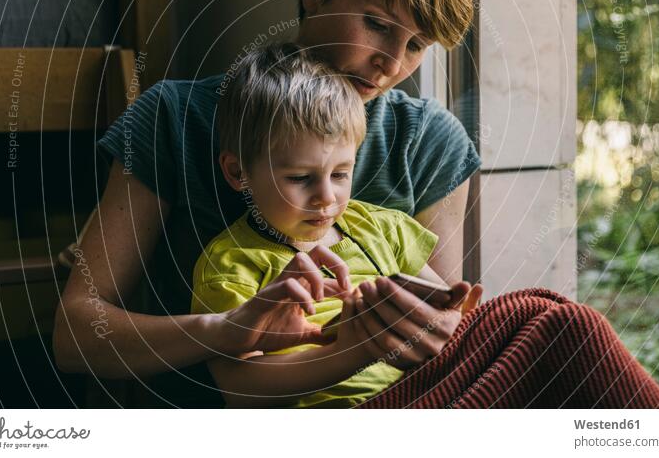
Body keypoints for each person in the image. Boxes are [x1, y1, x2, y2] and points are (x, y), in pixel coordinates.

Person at [53, 0, 659, 409]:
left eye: (415, 46)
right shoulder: (176, 119)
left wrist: (417, 323)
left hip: (403, 398)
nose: (388, 65)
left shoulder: (429, 141)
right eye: (377, 24)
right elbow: (77, 334)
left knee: (555, 321)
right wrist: (229, 330)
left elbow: (436, 338)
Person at [191, 42, 482, 408]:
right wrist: (353, 350)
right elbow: (240, 387)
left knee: (538, 313)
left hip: (429, 392)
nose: (326, 197)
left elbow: (443, 310)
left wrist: (457, 310)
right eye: (300, 177)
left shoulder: (382, 229)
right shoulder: (233, 263)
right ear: (238, 171)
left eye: (341, 173)